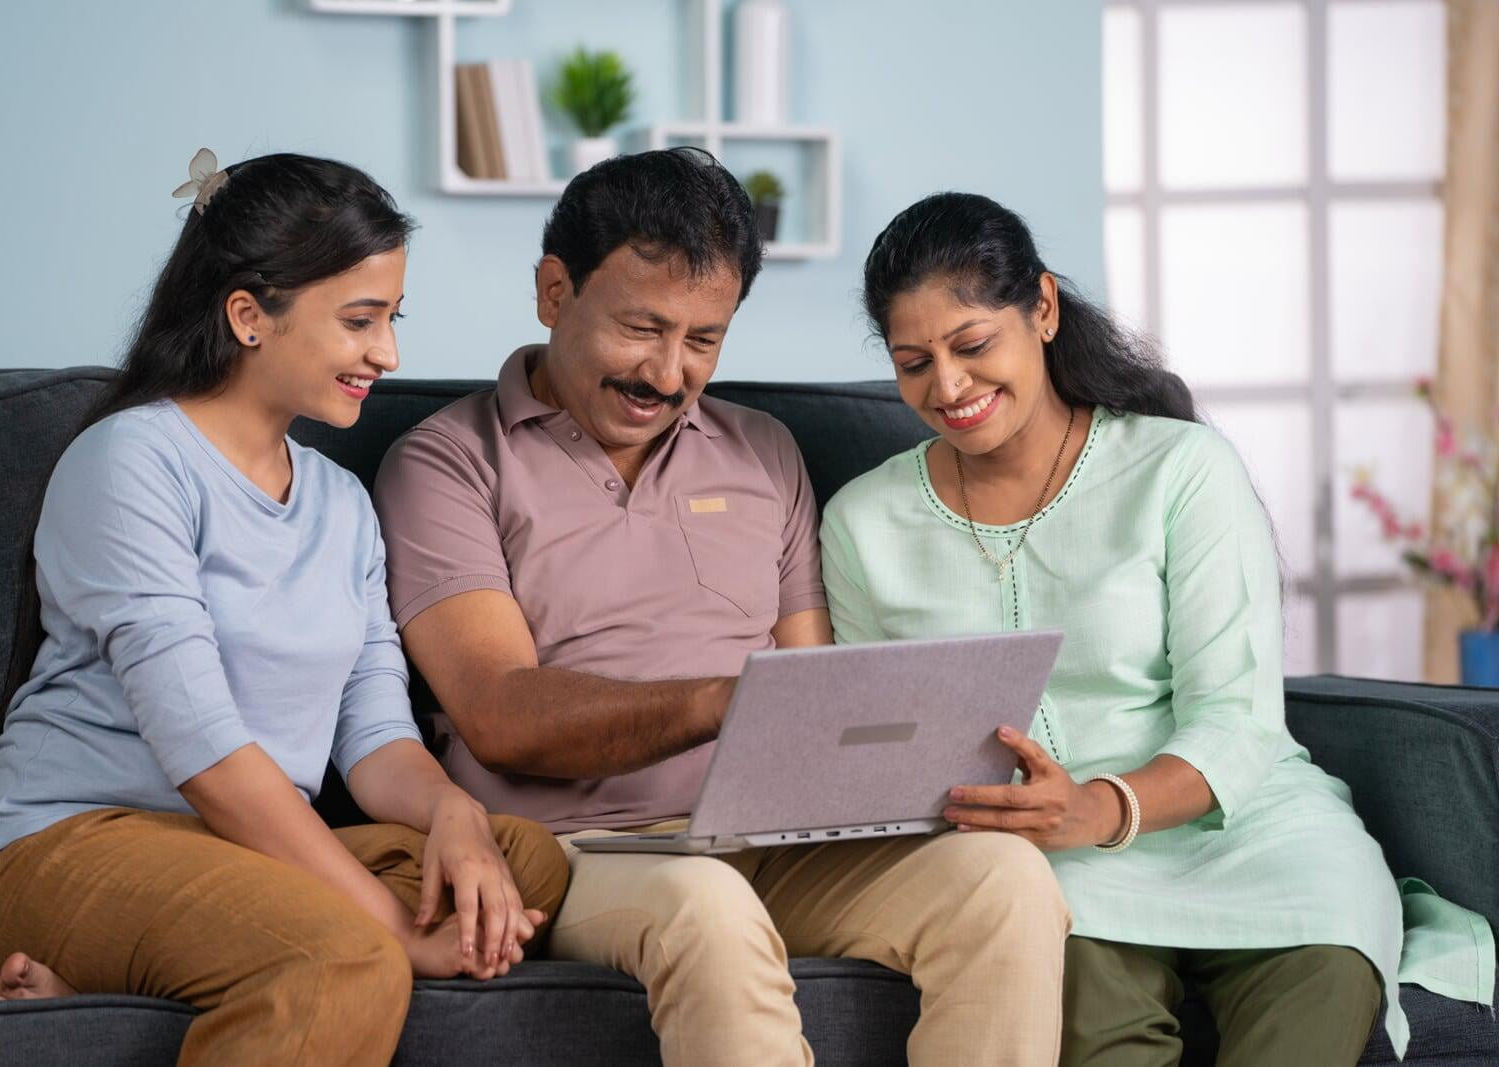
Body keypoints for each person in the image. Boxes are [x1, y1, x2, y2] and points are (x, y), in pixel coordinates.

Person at [373, 149, 1070, 1067]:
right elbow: (499, 713)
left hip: (770, 840)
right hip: (578, 853)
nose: (667, 372)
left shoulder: (763, 453)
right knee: (707, 902)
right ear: (554, 291)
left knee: (1006, 879)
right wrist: (718, 702)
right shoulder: (449, 462)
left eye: (704, 339)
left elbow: (815, 688)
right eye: (641, 328)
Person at [819, 191, 1495, 1064]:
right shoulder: (863, 522)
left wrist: (1098, 806)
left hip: (1255, 835)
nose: (947, 387)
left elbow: (1240, 722)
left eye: (973, 345)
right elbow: (878, 747)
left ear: (1045, 308)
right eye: (914, 363)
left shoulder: (1181, 470)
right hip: (1047, 870)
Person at [0, 150, 569, 1066]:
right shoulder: (133, 463)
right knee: (347, 957)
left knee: (522, 862)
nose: (387, 353)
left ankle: (142, 979)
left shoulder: (340, 503)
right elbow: (205, 754)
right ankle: (229, 956)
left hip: (233, 858)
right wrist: (394, 928)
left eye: (393, 318)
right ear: (248, 315)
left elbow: (375, 738)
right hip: (60, 846)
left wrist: (456, 819)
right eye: (360, 321)